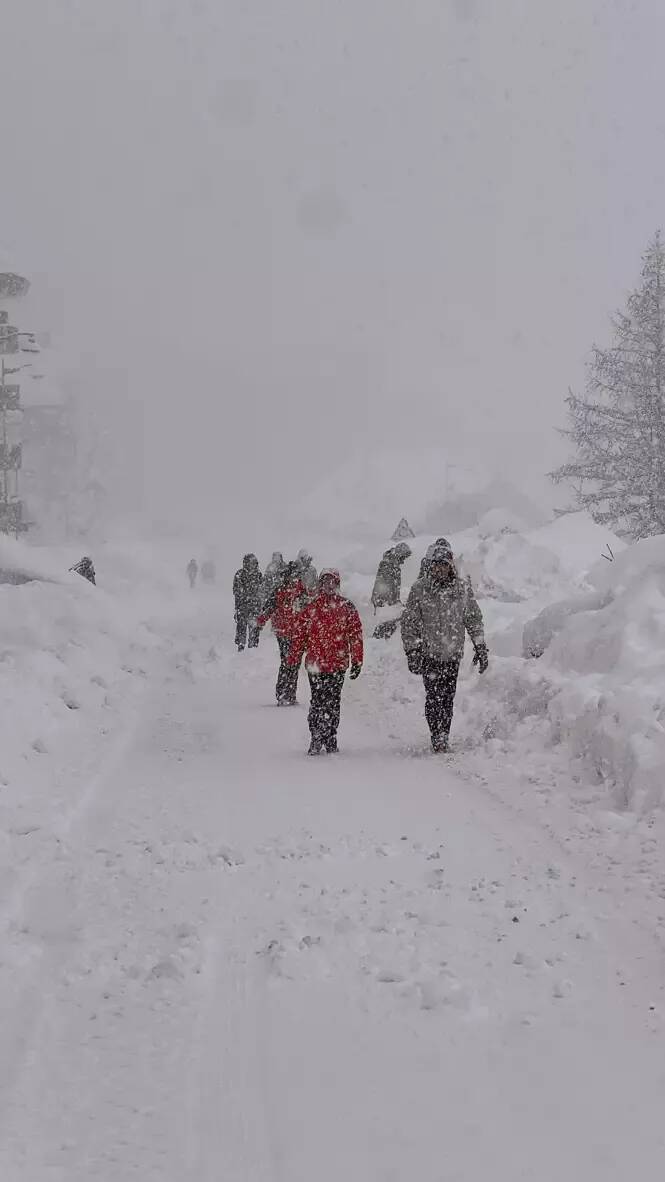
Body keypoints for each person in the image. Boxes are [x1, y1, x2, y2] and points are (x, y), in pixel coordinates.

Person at [401, 539, 488, 753]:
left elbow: (473, 619)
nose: (441, 569)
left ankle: (443, 735)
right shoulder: (420, 589)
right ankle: (436, 734)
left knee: (448, 698)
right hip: (429, 654)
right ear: (431, 566)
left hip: (452, 655)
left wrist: (480, 646)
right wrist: (412, 651)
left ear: (451, 566)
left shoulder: (461, 589)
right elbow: (409, 622)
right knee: (433, 698)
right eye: (437, 564)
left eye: (445, 565)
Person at [288, 569, 363, 755]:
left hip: (337, 665)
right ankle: (316, 735)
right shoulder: (311, 607)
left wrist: (357, 660)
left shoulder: (347, 607)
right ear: (321, 584)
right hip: (316, 666)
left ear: (337, 584)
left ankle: (330, 735)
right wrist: (293, 658)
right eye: (326, 581)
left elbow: (355, 636)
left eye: (333, 581)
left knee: (333, 702)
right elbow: (300, 636)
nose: (329, 585)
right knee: (318, 701)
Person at [257, 562, 306, 705]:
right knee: (288, 662)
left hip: (295, 632)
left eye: (295, 576)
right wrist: (261, 621)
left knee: (293, 663)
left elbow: (310, 610)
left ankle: (288, 693)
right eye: (292, 576)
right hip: (284, 632)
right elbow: (269, 608)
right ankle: (284, 693)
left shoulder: (299, 592)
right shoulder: (282, 592)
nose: (293, 579)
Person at [232, 553, 263, 651]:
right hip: (242, 606)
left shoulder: (258, 575)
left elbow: (261, 590)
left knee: (254, 628)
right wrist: (245, 598)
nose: (252, 565)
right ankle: (241, 646)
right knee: (241, 627)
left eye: (254, 563)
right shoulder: (239, 574)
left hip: (255, 606)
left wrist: (259, 603)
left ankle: (253, 648)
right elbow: (236, 591)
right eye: (250, 563)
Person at [371, 542, 412, 610]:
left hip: (388, 605)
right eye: (403, 557)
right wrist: (391, 603)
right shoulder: (387, 565)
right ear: (399, 554)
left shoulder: (394, 566)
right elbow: (386, 586)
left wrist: (397, 601)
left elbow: (395, 587)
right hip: (382, 606)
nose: (403, 560)